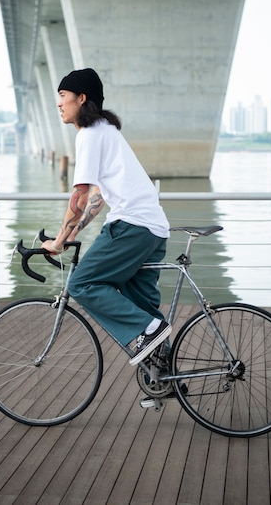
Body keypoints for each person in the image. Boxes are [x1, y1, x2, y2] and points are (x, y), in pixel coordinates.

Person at [41, 68, 171, 365]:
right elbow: (98, 198)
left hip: (131, 226)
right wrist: (74, 233)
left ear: (81, 98)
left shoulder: (89, 135)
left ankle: (149, 330)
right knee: (143, 308)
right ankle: (163, 378)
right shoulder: (106, 131)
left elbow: (81, 195)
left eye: (62, 96)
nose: (58, 103)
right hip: (153, 229)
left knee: (82, 284)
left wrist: (59, 241)